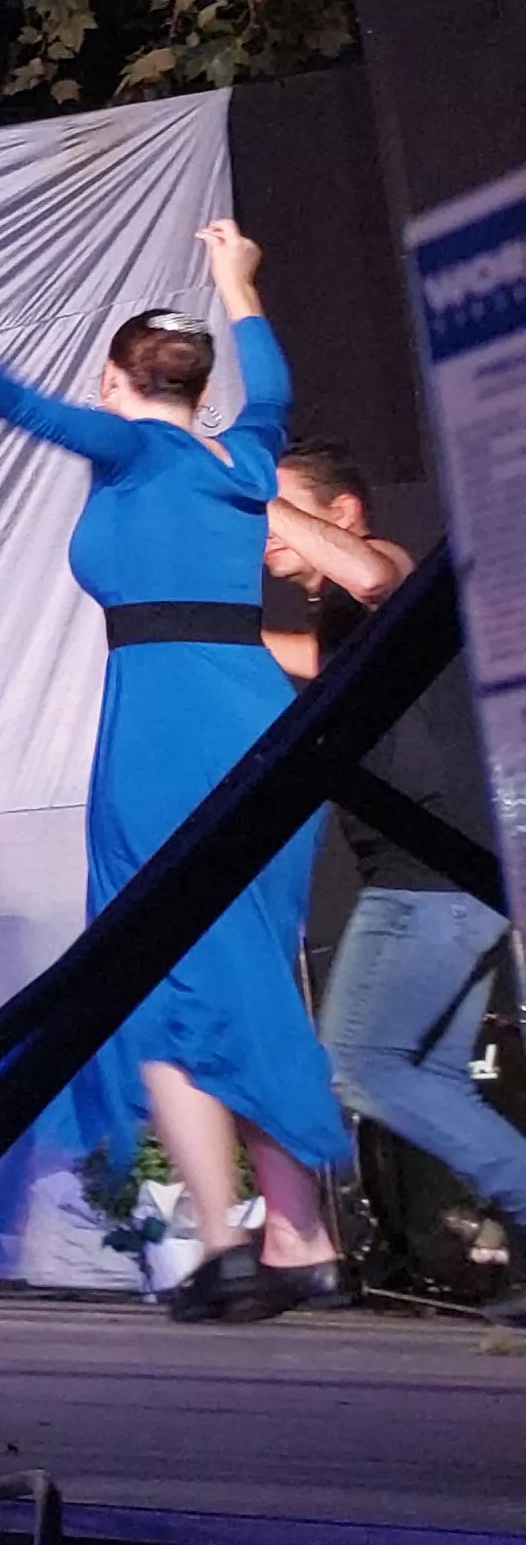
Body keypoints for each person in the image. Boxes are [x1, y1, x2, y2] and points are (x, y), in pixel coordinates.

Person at [0, 221, 348, 1321]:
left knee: (152, 970)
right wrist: (236, 282)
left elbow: (21, 407)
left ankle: (222, 1239)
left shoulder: (140, 448)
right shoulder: (244, 450)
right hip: (254, 716)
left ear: (118, 380)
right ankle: (297, 1235)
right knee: (242, 967)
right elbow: (267, 380)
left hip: (166, 728)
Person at [272, 442, 526, 1320]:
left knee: (365, 1066)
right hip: (439, 877)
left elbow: (379, 578)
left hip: (428, 876)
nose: (262, 532)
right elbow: (292, 661)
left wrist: (250, 493)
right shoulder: (340, 632)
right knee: (430, 1076)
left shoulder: (384, 571)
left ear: (340, 514)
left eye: (281, 510)